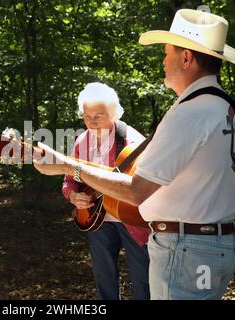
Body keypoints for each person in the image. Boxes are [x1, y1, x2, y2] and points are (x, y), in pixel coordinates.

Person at [34, 8, 235, 300]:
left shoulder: (190, 113)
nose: (163, 60)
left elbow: (137, 191)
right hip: (211, 245)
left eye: (168, 52)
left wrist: (64, 165)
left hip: (186, 249)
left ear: (186, 58)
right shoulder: (226, 109)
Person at [62, 82, 150, 300]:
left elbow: (144, 184)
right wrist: (72, 195)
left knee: (143, 281)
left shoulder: (133, 141)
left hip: (131, 218)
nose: (91, 122)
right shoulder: (82, 141)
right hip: (97, 219)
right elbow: (69, 179)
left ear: (114, 114)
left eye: (98, 116)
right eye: (86, 116)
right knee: (104, 279)